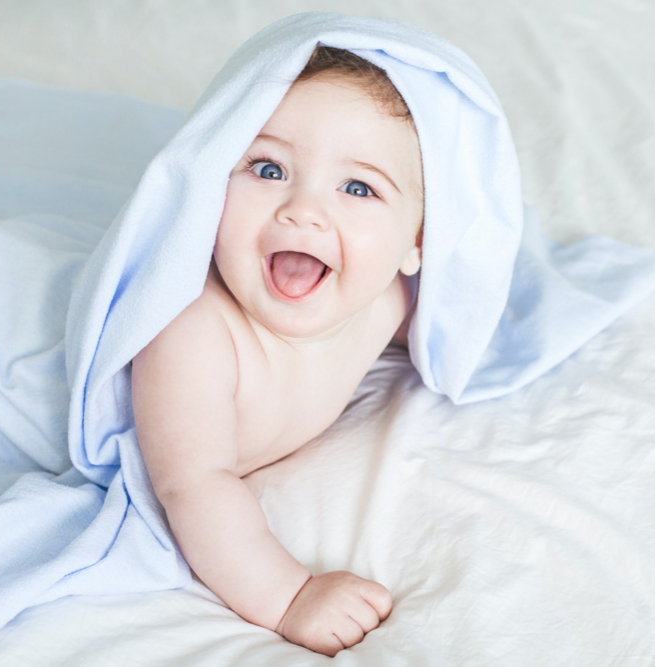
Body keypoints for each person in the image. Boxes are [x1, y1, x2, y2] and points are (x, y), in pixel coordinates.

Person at [130, 45, 421, 657]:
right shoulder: (193, 335)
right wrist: (289, 596)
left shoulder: (386, 300)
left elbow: (450, 318)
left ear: (414, 243)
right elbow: (194, 483)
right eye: (268, 170)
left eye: (358, 187)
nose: (304, 210)